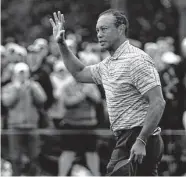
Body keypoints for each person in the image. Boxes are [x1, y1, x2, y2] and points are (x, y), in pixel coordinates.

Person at [49, 9, 165, 176]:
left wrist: (141, 140)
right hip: (129, 137)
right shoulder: (109, 63)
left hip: (138, 135)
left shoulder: (137, 60)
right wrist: (61, 44)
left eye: (104, 29)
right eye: (97, 30)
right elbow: (80, 73)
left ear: (121, 29)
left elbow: (158, 102)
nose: (99, 34)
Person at [2, 62, 47, 175]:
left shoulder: (34, 86)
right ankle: (16, 174)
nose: (22, 76)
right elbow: (7, 102)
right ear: (15, 74)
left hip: (32, 125)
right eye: (20, 73)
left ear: (28, 74)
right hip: (14, 126)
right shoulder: (9, 87)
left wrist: (32, 87)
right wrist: (16, 89)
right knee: (15, 156)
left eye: (24, 73)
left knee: (34, 154)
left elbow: (42, 99)